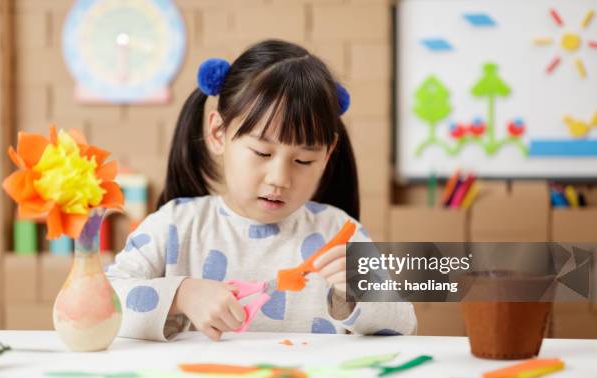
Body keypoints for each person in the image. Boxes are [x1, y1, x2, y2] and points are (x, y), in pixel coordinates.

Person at [106, 39, 417, 342]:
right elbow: (102, 302)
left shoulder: (340, 232)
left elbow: (405, 324)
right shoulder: (176, 225)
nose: (279, 179)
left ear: (327, 153)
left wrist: (356, 292)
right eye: (262, 153)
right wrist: (181, 294)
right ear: (218, 133)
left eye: (303, 160)